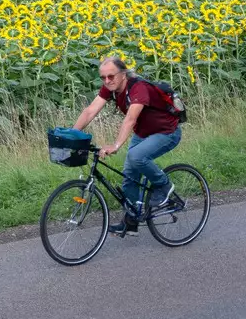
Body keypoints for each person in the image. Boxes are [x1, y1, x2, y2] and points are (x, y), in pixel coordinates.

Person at [72, 54, 183, 234]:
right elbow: (90, 111)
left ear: (123, 74)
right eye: (103, 77)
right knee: (129, 178)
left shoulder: (138, 88)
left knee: (136, 156)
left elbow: (130, 120)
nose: (107, 81)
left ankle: (164, 186)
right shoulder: (111, 88)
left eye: (111, 76)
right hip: (143, 134)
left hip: (167, 132)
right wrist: (73, 134)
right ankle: (131, 221)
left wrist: (115, 145)